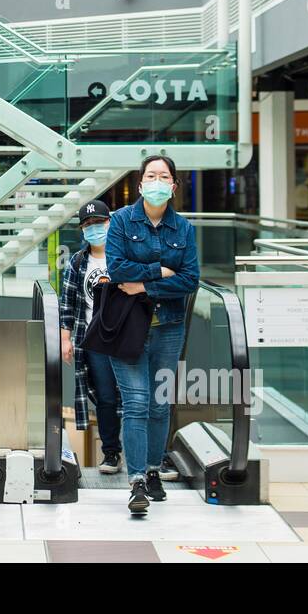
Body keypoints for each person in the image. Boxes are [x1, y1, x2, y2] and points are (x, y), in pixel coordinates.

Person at [104, 154, 199, 516]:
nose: (157, 181)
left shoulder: (185, 230)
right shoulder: (121, 221)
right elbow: (115, 269)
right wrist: (161, 271)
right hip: (127, 327)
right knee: (137, 403)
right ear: (140, 183)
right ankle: (137, 480)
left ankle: (155, 469)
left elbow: (190, 280)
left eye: (164, 176)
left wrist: (143, 284)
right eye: (150, 175)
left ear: (173, 186)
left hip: (169, 328)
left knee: (160, 404)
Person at [59, 199, 123, 474]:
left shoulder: (125, 254)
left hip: (126, 338)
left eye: (98, 223)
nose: (93, 229)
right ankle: (111, 453)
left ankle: (145, 454)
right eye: (87, 225)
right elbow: (68, 303)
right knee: (106, 398)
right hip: (94, 341)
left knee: (135, 397)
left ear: (109, 222)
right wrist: (65, 339)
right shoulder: (78, 261)